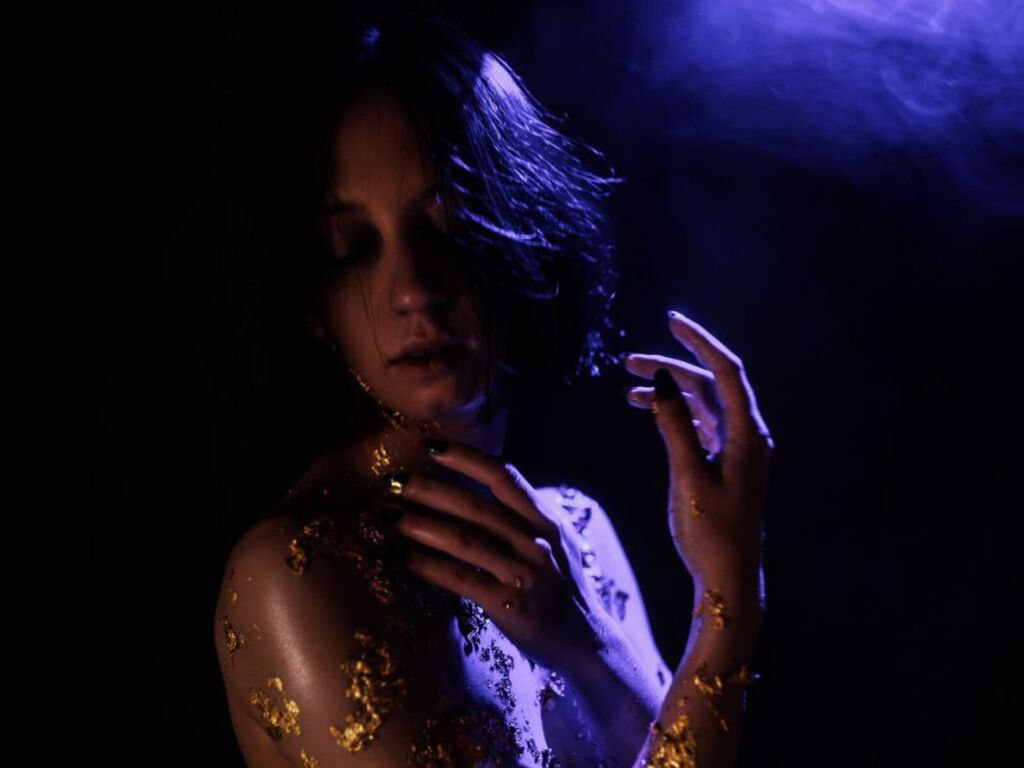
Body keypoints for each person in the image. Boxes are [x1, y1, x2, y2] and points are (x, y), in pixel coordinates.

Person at [211, 9, 774, 767]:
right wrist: (728, 608)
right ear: (310, 304)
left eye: (447, 223)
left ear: (526, 239)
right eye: (353, 247)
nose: (413, 290)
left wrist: (600, 645)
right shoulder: (300, 576)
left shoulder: (580, 542)